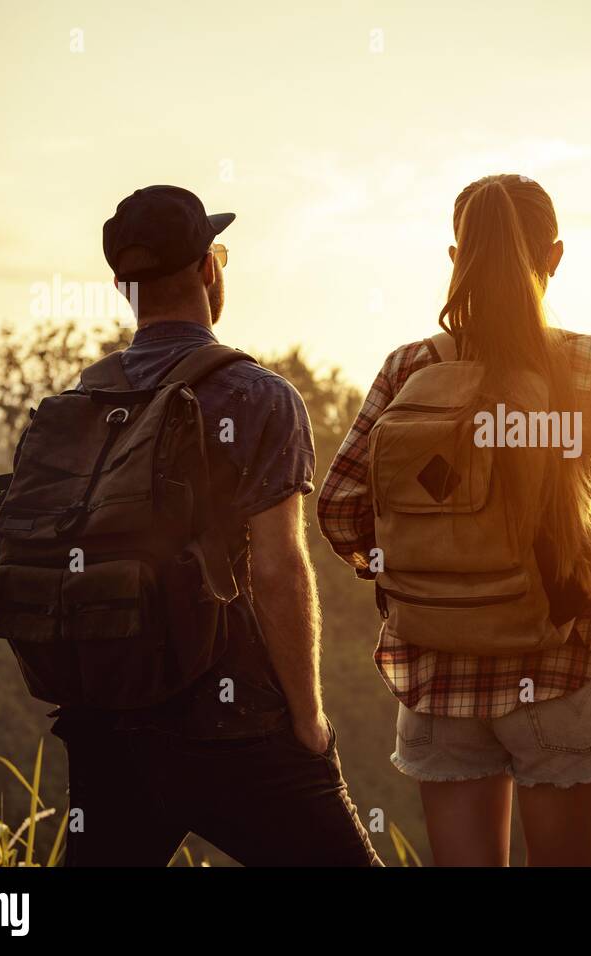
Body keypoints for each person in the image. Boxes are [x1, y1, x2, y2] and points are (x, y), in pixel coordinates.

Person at [317, 174, 591, 866]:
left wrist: (419, 562)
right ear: (555, 256)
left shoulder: (410, 366)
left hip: (435, 674)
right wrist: (582, 544)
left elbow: (338, 507)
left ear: (457, 258)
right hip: (560, 666)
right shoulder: (588, 363)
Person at [53, 185, 380, 866]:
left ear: (123, 286)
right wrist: (307, 719)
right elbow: (278, 568)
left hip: (108, 723)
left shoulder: (81, 402)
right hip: (235, 723)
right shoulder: (256, 395)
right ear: (208, 269)